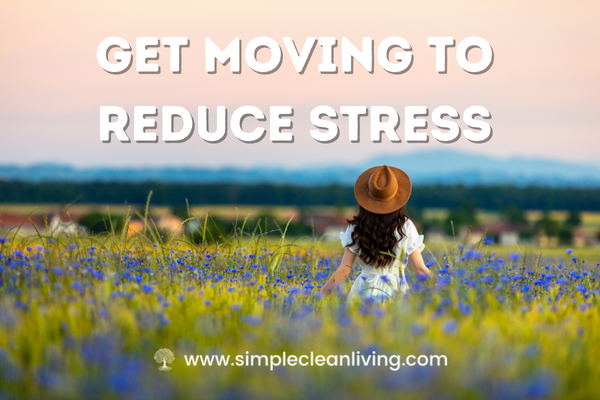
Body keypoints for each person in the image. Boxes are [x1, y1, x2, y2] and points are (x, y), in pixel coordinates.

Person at [319, 165, 432, 302]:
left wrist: (318, 297)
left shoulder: (356, 227)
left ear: (365, 198)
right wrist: (446, 289)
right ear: (397, 199)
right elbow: (420, 270)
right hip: (395, 291)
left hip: (363, 291)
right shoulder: (406, 226)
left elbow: (344, 271)